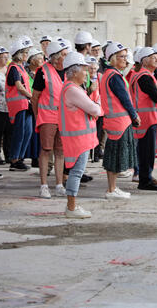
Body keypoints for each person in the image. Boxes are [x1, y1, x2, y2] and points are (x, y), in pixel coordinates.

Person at [59, 52, 103, 218]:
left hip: (80, 138)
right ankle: (71, 207)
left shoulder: (74, 88)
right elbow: (95, 110)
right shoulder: (72, 90)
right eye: (84, 69)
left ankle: (72, 206)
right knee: (76, 173)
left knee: (76, 172)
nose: (87, 73)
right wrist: (97, 103)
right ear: (75, 72)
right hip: (77, 139)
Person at [100, 42, 140, 199]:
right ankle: (111, 189)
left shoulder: (109, 75)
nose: (125, 60)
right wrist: (134, 115)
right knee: (116, 157)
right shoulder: (114, 76)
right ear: (112, 59)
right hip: (120, 122)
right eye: (121, 57)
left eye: (125, 56)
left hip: (114, 121)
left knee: (113, 156)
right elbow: (125, 99)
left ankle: (113, 188)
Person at [31, 40, 68, 198]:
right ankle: (44, 185)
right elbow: (35, 97)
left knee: (60, 152)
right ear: (57, 57)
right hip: (47, 116)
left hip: (64, 117)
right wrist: (37, 116)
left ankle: (59, 184)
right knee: (46, 150)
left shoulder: (69, 70)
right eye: (65, 55)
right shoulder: (43, 71)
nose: (67, 57)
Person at [130, 47, 157, 191]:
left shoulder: (145, 75)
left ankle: (146, 177)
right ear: (144, 60)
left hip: (145, 119)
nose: (156, 59)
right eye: (152, 56)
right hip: (147, 119)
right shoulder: (144, 76)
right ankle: (145, 180)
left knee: (146, 151)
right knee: (147, 152)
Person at [6, 37, 35, 171]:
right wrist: (32, 97)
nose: (26, 55)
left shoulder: (21, 68)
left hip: (25, 104)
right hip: (19, 105)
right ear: (18, 54)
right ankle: (14, 159)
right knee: (19, 133)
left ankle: (20, 157)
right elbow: (19, 86)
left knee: (27, 131)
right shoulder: (13, 68)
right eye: (24, 53)